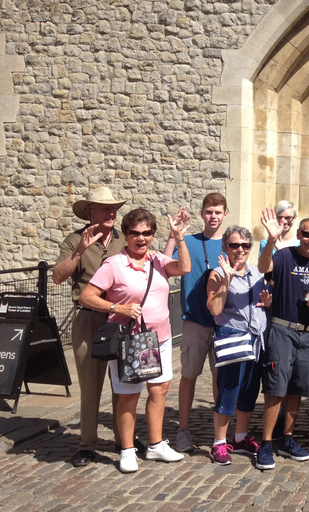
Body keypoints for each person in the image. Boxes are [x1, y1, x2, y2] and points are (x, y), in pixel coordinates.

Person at [79, 208, 191, 473]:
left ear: (152, 234)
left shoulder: (157, 260)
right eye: (135, 233)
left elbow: (184, 267)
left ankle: (155, 444)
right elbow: (87, 297)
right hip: (130, 341)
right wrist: (117, 308)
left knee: (159, 390)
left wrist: (179, 237)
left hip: (159, 338)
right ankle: (127, 450)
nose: (141, 238)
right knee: (128, 396)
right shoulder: (114, 265)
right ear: (127, 235)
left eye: (147, 233)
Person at [53, 187, 127, 468]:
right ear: (89, 212)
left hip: (119, 318)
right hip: (87, 317)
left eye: (114, 208)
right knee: (90, 385)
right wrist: (81, 250)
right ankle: (87, 444)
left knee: (123, 382)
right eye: (104, 208)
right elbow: (59, 276)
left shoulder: (123, 239)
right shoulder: (74, 239)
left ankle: (124, 440)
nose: (111, 213)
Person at [256, 210, 309, 470]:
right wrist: (271, 240)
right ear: (299, 235)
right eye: (307, 234)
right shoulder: (285, 255)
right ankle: (266, 443)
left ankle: (288, 438)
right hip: (283, 330)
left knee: (299, 386)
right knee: (276, 387)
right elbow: (264, 268)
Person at [162, 193, 228, 453]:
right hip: (194, 320)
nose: (213, 216)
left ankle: (219, 434)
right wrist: (173, 235)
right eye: (209, 211)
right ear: (202, 214)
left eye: (218, 212)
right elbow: (165, 263)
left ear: (225, 214)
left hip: (222, 321)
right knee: (189, 375)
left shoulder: (232, 243)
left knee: (219, 378)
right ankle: (183, 429)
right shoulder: (187, 241)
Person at [205, 226, 270, 465]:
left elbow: (263, 300)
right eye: (234, 245)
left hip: (256, 340)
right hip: (233, 337)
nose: (240, 250)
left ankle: (240, 438)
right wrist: (226, 280)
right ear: (225, 248)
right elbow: (216, 309)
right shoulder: (216, 274)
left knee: (249, 391)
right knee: (229, 391)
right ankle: (219, 443)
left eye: (245, 245)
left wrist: (268, 303)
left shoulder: (256, 272)